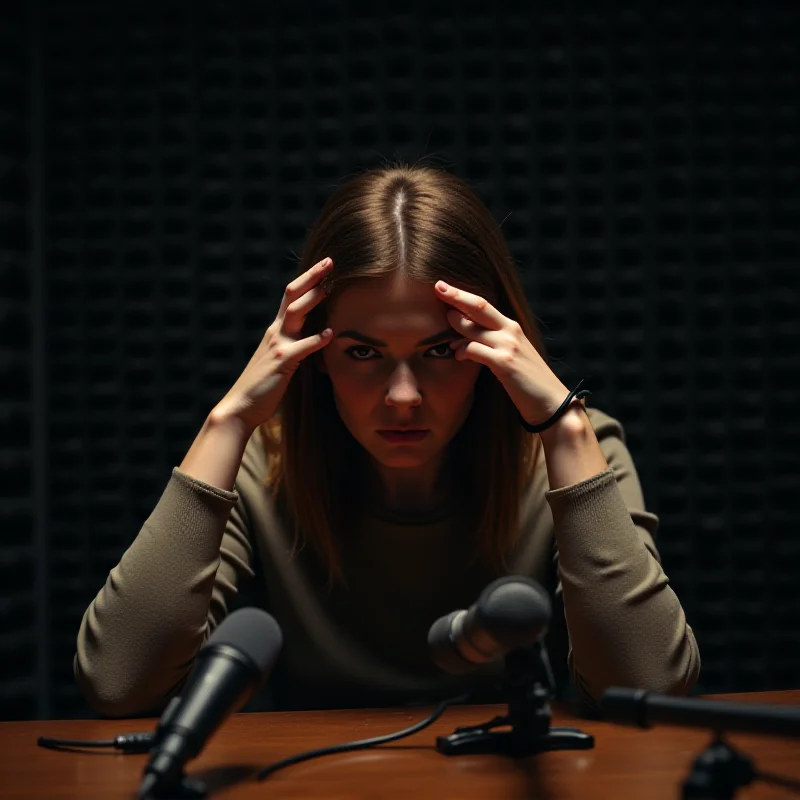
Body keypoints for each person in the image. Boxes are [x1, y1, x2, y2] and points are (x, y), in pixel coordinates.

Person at [74, 162, 700, 718]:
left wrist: (564, 424)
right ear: (312, 354)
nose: (403, 396)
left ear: (494, 347)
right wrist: (230, 420)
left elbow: (651, 687)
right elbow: (117, 686)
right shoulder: (263, 464)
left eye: (439, 350)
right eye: (363, 352)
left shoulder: (571, 454)